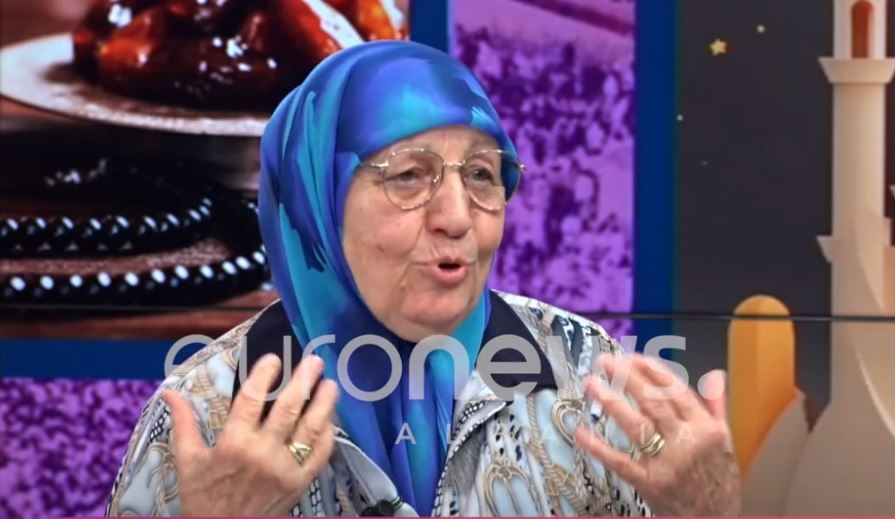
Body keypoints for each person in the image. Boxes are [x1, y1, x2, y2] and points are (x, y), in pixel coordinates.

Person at [106, 41, 740, 517]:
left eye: (483, 175)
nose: (458, 218)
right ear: (315, 200)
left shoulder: (585, 374)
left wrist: (707, 516)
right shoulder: (207, 409)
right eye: (409, 175)